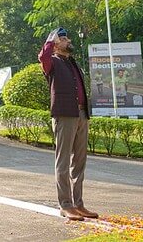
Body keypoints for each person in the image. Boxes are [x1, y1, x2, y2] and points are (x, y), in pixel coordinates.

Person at [39, 27, 98, 221]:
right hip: (64, 116)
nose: (68, 40)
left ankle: (78, 204)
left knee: (79, 162)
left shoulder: (71, 62)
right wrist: (50, 40)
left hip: (81, 114)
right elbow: (43, 57)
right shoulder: (51, 62)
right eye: (64, 39)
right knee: (63, 162)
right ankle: (66, 205)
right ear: (56, 44)